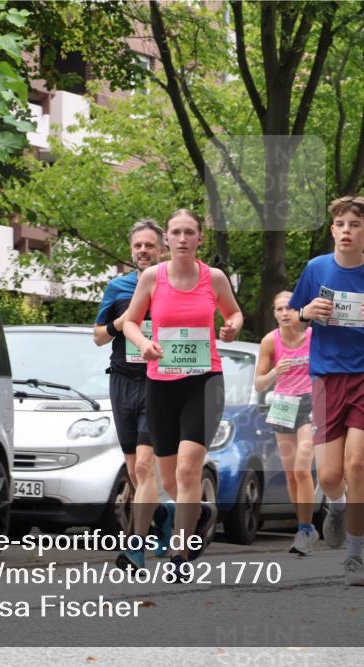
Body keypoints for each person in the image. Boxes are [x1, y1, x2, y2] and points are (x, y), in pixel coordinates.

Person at [288, 195, 364, 586]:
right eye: (340, 224)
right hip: (326, 378)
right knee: (328, 475)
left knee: (358, 464)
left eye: (354, 225)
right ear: (332, 231)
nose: (346, 231)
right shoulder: (315, 268)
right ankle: (337, 505)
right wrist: (307, 313)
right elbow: (291, 323)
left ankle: (355, 555)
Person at [121, 209, 243, 580]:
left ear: (199, 238)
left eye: (190, 232)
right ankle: (199, 513)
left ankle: (177, 554)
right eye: (176, 232)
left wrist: (231, 328)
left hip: (204, 382)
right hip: (161, 382)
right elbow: (129, 320)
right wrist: (143, 342)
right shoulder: (152, 277)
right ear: (168, 240)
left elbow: (234, 314)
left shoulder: (214, 278)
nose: (183, 238)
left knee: (190, 468)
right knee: (168, 478)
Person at [93, 219, 172, 560]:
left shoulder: (174, 284)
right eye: (138, 245)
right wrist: (119, 324)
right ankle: (162, 515)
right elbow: (98, 336)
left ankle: (136, 543)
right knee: (133, 467)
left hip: (158, 382)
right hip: (122, 381)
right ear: (131, 249)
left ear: (161, 249)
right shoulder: (118, 288)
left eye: (149, 245)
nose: (143, 250)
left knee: (143, 465)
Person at [254, 291, 316, 555]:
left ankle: (306, 528)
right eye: (279, 309)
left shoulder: (314, 336)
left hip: (311, 401)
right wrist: (273, 372)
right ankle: (304, 528)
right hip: (282, 404)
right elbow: (258, 383)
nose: (284, 313)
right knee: (291, 473)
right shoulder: (270, 341)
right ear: (274, 312)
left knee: (302, 468)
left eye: (290, 308)